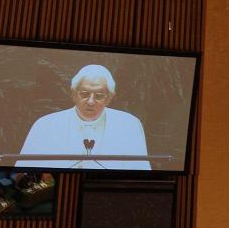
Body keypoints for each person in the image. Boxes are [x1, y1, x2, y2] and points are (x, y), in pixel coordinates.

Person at [16, 64, 150, 170]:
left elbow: (141, 172)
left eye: (99, 96)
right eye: (84, 94)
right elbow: (24, 171)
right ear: (73, 93)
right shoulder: (45, 125)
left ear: (109, 98)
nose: (91, 101)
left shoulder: (129, 125)